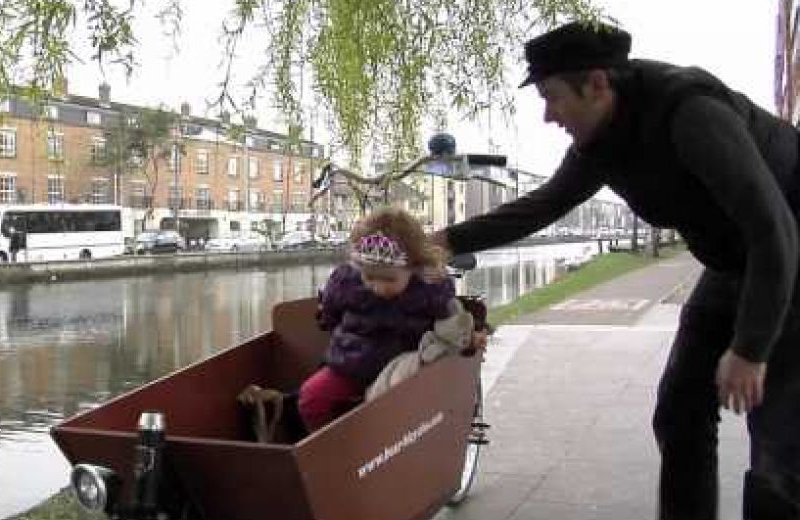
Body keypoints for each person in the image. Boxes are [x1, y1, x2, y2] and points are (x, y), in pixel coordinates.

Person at [432, 21, 800, 519]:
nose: (547, 115)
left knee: (777, 437)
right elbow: (542, 206)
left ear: (598, 84)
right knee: (679, 410)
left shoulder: (690, 113)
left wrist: (752, 347)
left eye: (552, 97)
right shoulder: (599, 141)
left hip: (788, 254)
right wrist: (445, 242)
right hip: (732, 262)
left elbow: (773, 228)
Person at [297, 207, 457, 432]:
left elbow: (451, 322)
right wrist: (331, 325)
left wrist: (468, 336)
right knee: (312, 398)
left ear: (414, 266)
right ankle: (330, 448)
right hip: (351, 365)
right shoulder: (347, 281)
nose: (379, 288)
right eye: (369, 278)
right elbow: (330, 313)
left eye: (389, 279)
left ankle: (396, 445)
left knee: (402, 411)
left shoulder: (429, 287)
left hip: (401, 369)